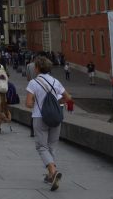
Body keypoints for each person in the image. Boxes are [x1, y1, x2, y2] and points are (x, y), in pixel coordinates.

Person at [25, 56, 72, 191]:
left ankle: (53, 170)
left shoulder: (33, 83)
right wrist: (57, 104)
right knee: (52, 145)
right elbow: (68, 97)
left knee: (41, 146)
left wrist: (38, 104)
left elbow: (28, 103)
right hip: (56, 117)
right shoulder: (55, 81)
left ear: (38, 68)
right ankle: (50, 175)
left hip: (40, 117)